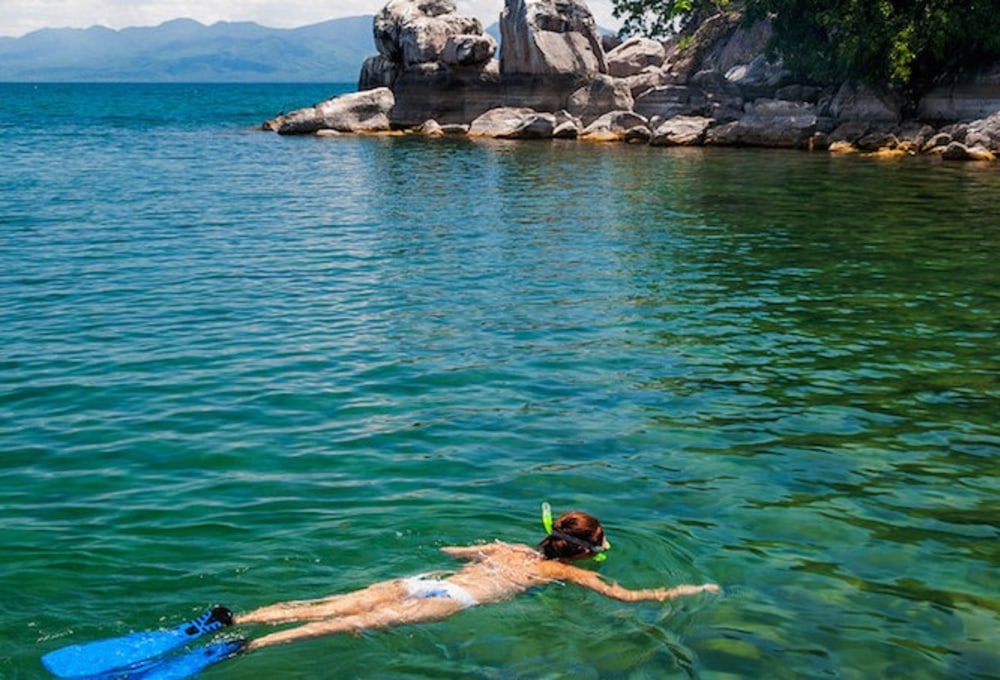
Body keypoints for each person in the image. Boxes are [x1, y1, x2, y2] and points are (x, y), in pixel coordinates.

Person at [231, 508, 719, 650]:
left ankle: (240, 619)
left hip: (420, 581)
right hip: (454, 599)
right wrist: (687, 590)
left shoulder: (507, 548)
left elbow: (452, 550)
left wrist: (482, 549)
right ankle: (248, 647)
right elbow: (630, 596)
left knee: (330, 604)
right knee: (338, 626)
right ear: (585, 553)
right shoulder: (552, 571)